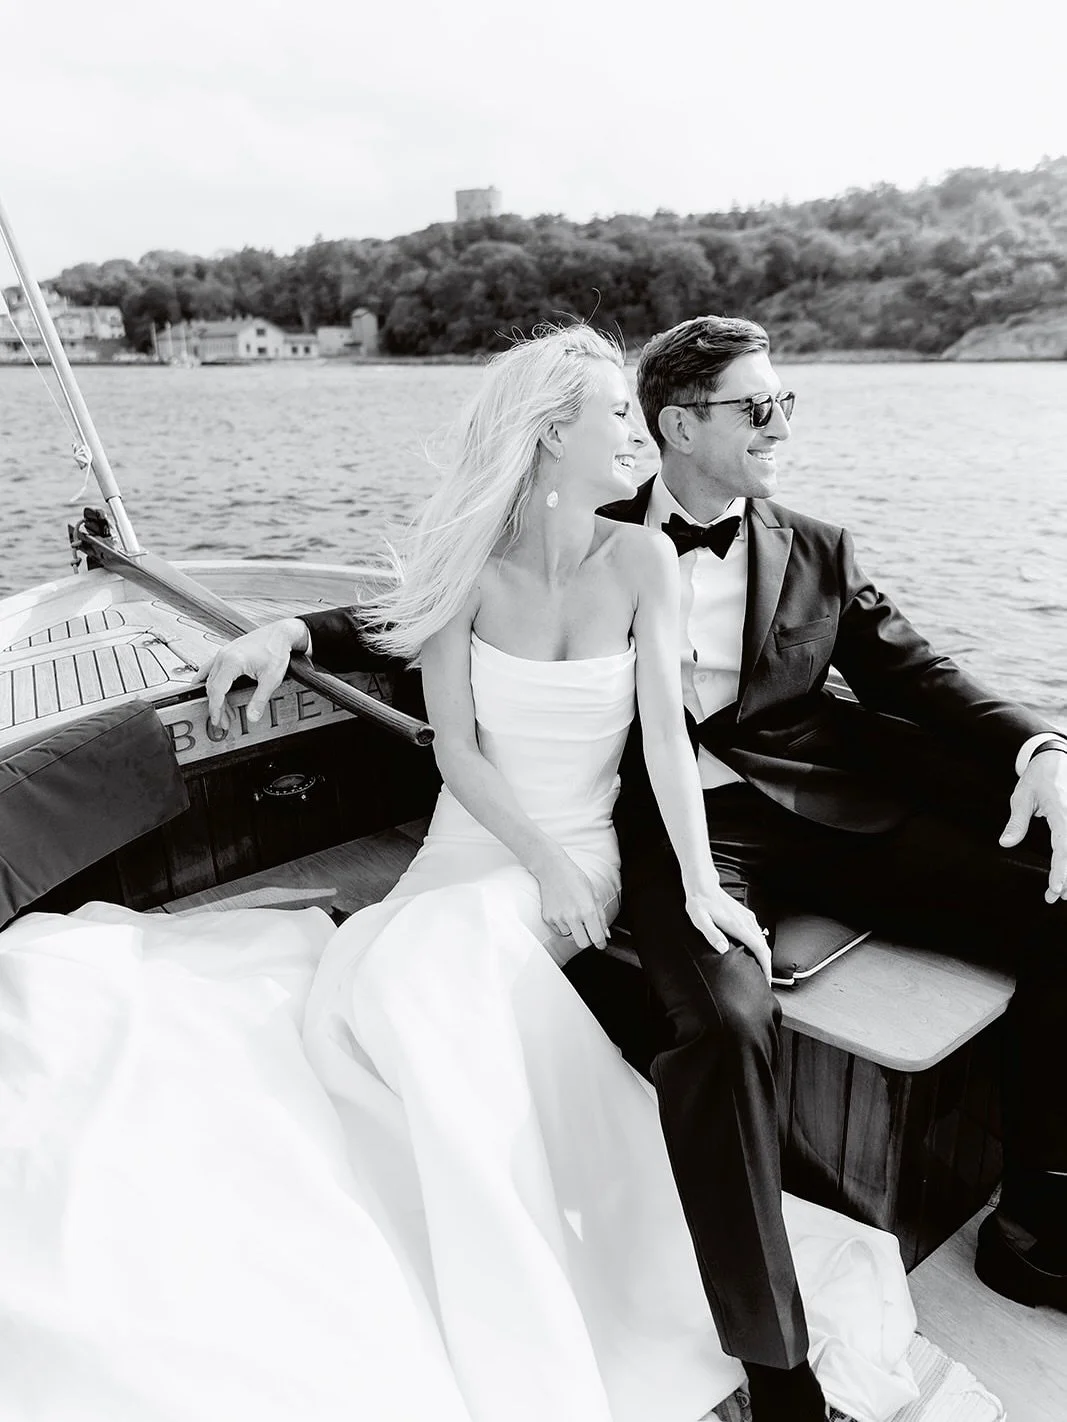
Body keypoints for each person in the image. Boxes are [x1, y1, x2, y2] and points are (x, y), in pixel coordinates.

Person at [201, 323, 918, 1422]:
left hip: (585, 843)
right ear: (548, 436)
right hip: (482, 839)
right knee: (384, 972)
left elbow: (669, 742)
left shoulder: (642, 560)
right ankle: (418, 1230)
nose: (634, 432)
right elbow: (453, 749)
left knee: (421, 971)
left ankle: (512, 1260)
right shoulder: (465, 566)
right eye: (614, 419)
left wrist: (692, 881)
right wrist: (288, 630)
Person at [593, 315, 1067, 1408]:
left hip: (826, 816)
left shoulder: (812, 545)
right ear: (677, 423)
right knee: (721, 1025)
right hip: (683, 839)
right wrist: (295, 635)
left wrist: (1039, 746)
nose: (781, 426)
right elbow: (455, 611)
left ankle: (1035, 1212)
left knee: (1056, 903)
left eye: (785, 402)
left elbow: (917, 672)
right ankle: (772, 1362)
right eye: (758, 407)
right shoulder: (589, 535)